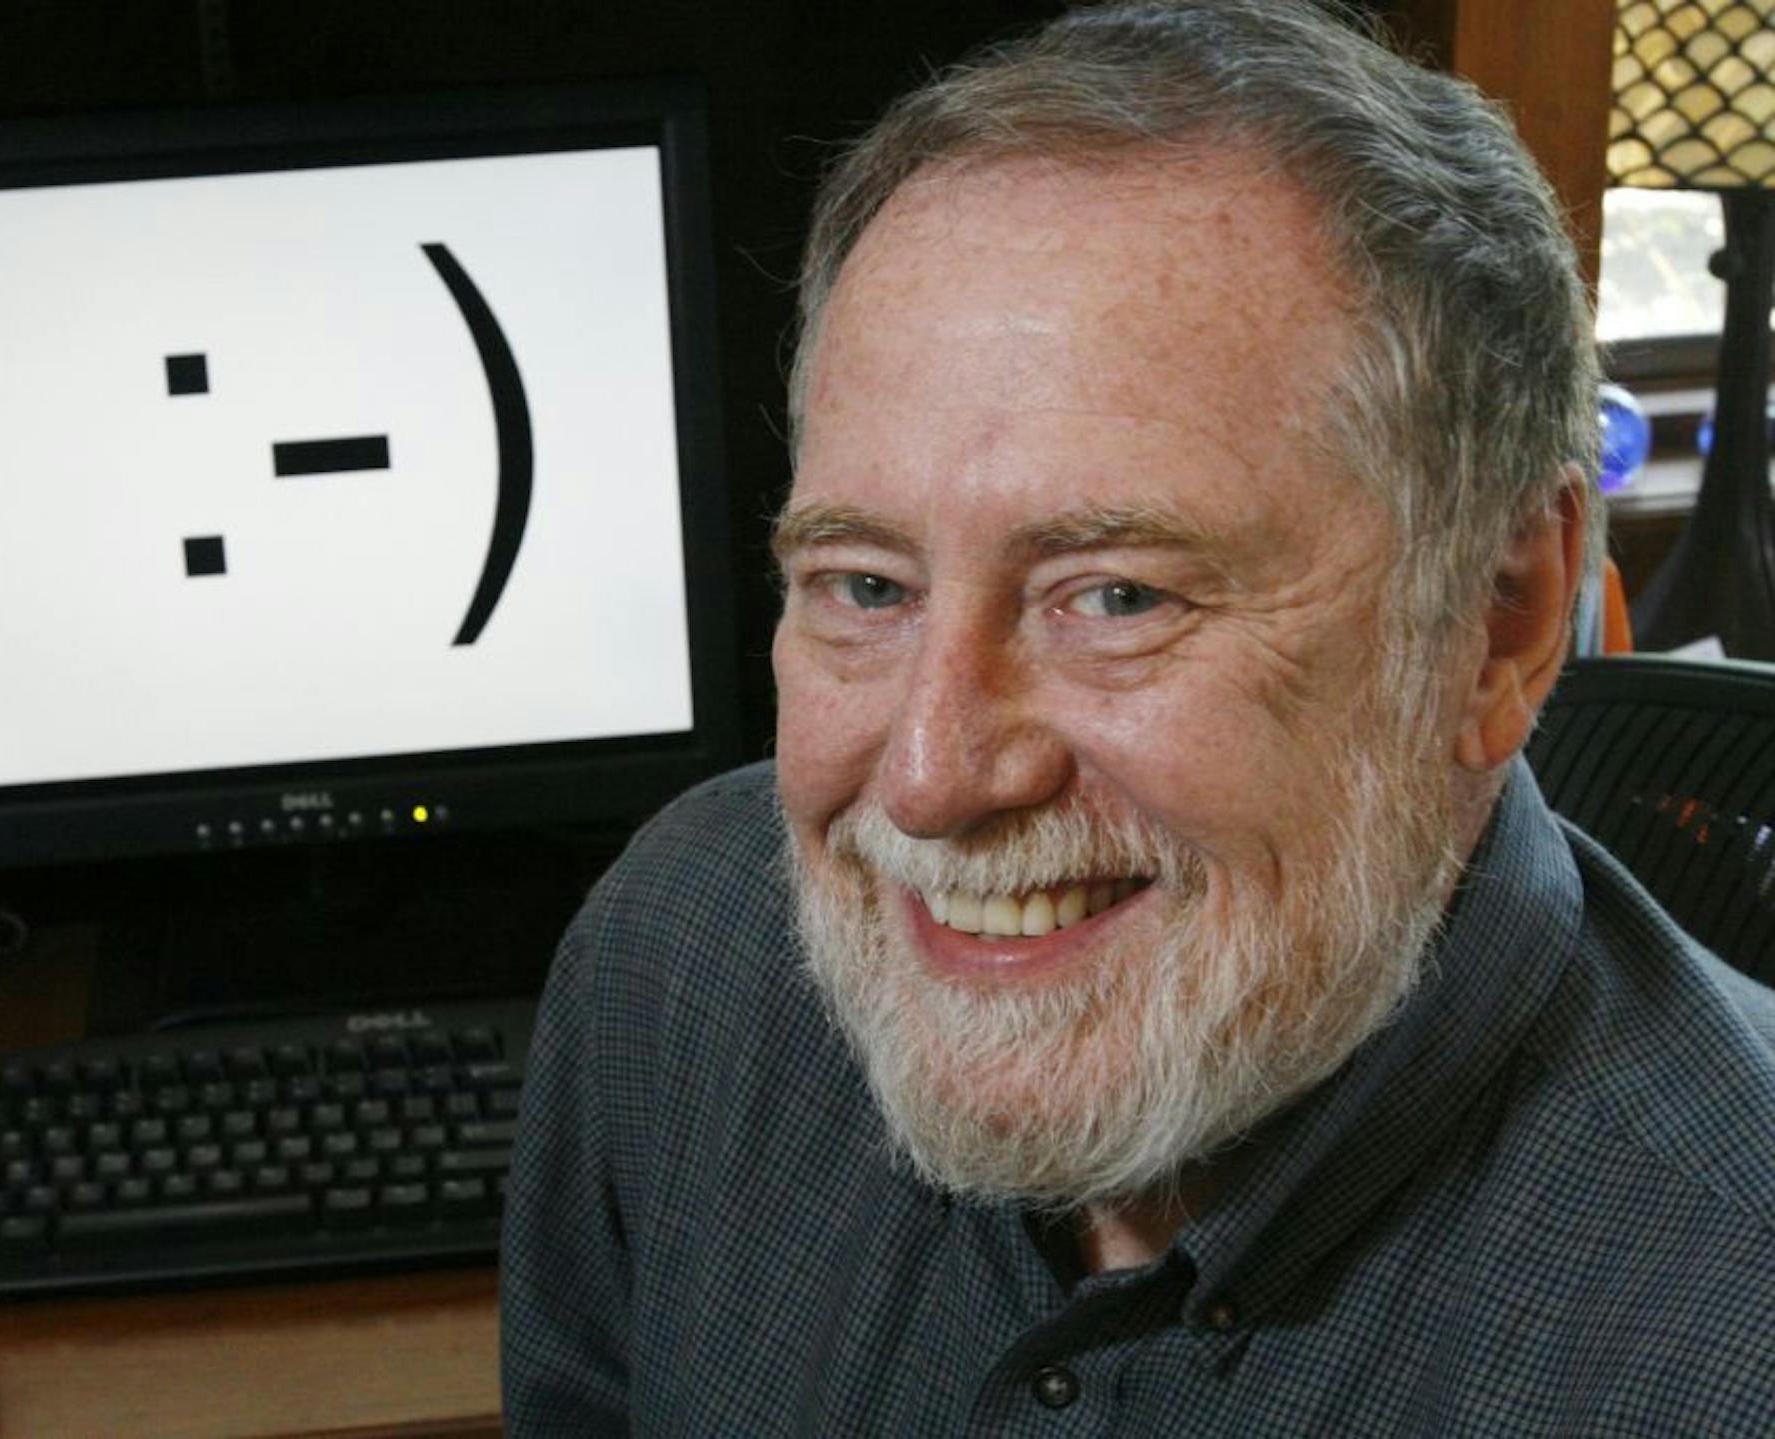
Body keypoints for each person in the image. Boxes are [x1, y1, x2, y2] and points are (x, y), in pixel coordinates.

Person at [502, 1, 1775, 1431]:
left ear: (1498, 624)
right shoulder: (678, 959)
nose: (930, 778)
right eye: (866, 584)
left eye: (1114, 599)